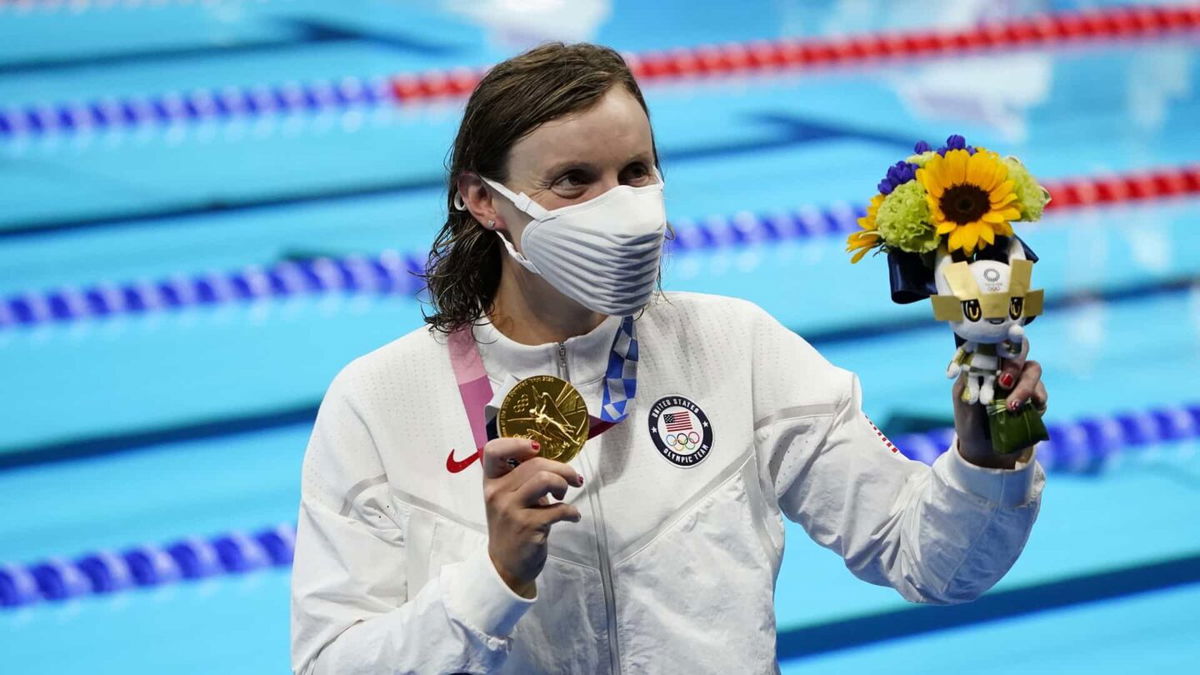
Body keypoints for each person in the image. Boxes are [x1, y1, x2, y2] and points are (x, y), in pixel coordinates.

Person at [290, 42, 1047, 675]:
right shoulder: (378, 401)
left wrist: (987, 460)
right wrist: (492, 578)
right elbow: (332, 662)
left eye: (636, 173)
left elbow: (931, 560)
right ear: (484, 201)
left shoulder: (734, 346)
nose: (620, 207)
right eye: (573, 182)